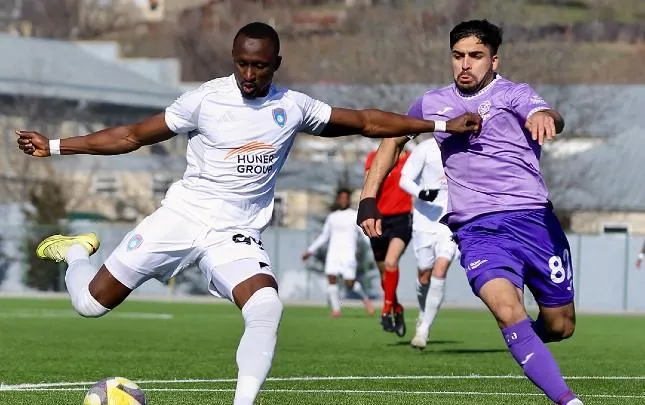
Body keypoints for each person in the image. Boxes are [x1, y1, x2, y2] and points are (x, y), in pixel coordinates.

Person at [16, 22, 480, 405]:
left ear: (276, 64)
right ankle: (76, 253)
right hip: (181, 217)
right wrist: (55, 146)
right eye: (242, 63)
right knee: (89, 304)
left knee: (266, 304)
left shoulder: (292, 106)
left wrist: (440, 124)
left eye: (259, 65)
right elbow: (132, 135)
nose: (249, 74)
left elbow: (365, 121)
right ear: (233, 59)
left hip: (234, 233)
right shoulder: (205, 99)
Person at [356, 19, 583, 405]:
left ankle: (525, 340)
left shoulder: (514, 94)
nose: (465, 64)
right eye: (458, 55)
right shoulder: (431, 103)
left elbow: (547, 113)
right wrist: (368, 198)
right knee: (507, 310)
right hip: (478, 229)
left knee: (561, 326)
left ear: (493, 61)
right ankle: (568, 400)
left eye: (475, 56)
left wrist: (546, 116)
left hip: (535, 223)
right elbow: (392, 140)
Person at [399, 138, 458, 350]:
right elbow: (404, 179)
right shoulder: (425, 148)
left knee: (440, 270)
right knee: (424, 274)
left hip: (450, 220)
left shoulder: (463, 147)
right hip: (424, 220)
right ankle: (424, 314)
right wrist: (421, 193)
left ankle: (423, 330)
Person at [301, 188, 374, 317]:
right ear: (338, 200)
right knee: (331, 279)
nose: (343, 200)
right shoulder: (332, 217)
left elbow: (363, 235)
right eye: (341, 198)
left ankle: (365, 299)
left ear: (348, 200)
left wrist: (374, 247)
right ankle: (336, 310)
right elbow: (324, 236)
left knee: (349, 283)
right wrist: (310, 250)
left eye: (346, 198)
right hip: (333, 254)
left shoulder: (354, 215)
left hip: (348, 254)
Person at [364, 148, 412, 337]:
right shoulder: (374, 156)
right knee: (385, 275)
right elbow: (368, 184)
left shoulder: (412, 158)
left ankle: (385, 312)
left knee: (392, 262)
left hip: (402, 218)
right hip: (379, 219)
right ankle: (397, 308)